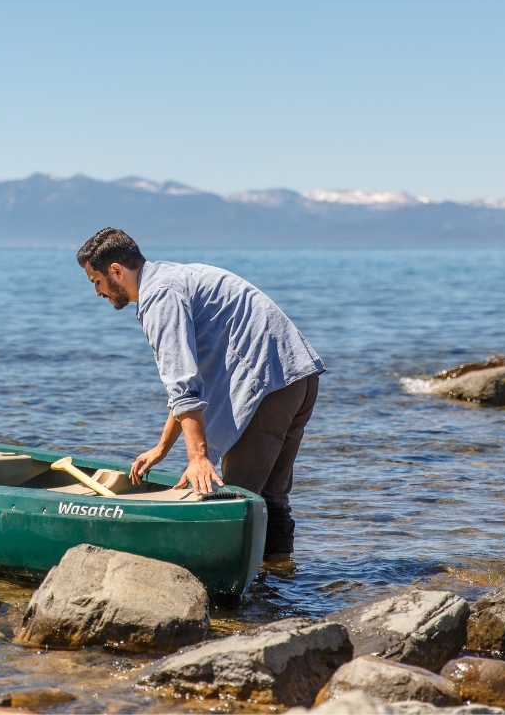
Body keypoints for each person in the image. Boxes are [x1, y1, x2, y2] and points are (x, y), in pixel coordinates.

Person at [77, 228, 323, 562]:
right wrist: (163, 446)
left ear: (116, 271)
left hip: (267, 388)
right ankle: (279, 587)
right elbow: (192, 380)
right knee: (271, 499)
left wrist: (198, 457)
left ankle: (241, 599)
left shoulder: (159, 297)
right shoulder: (174, 277)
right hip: (297, 377)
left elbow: (183, 383)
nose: (97, 292)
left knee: (232, 503)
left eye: (96, 281)